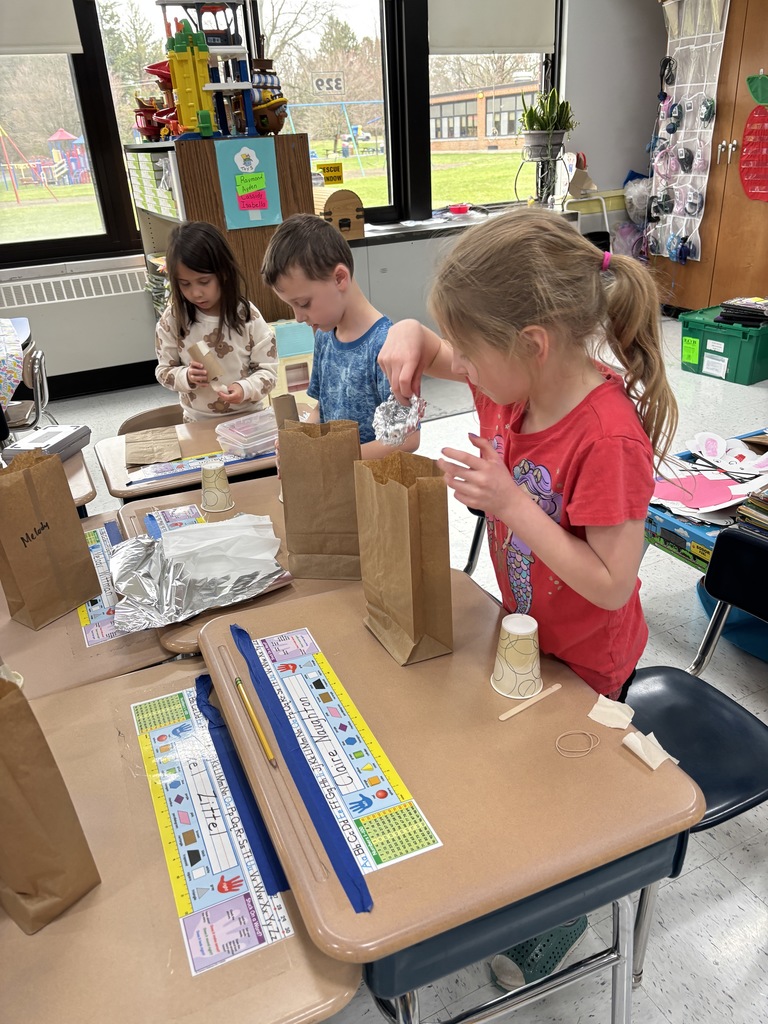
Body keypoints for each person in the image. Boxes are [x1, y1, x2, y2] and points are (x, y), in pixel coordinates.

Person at [378, 206, 678, 992]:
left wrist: (510, 504)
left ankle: (568, 912)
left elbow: (612, 584)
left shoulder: (606, 436)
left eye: (475, 356)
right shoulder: (516, 389)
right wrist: (409, 336)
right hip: (530, 641)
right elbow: (442, 347)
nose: (464, 372)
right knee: (517, 775)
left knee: (566, 797)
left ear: (533, 345)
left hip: (591, 659)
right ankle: (523, 878)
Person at [261, 213, 419, 458]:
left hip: (378, 488)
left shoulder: (386, 345)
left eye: (303, 303)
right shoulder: (324, 337)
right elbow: (322, 410)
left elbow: (407, 438)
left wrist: (335, 457)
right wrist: (300, 439)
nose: (299, 317)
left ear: (339, 278)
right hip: (337, 482)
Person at [156, 221, 277, 421]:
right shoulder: (173, 319)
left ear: (224, 273)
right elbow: (163, 371)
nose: (196, 293)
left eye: (204, 282)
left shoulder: (248, 316)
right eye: (185, 284)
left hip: (248, 417)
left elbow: (269, 372)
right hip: (197, 419)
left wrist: (244, 388)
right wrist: (186, 376)